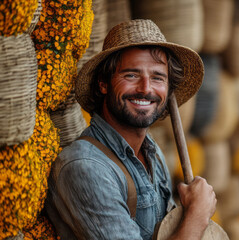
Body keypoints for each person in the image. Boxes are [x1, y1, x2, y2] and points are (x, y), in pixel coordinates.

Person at [45, 19, 217, 240]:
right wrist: (197, 215)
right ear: (103, 83)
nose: (146, 88)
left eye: (157, 77)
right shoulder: (86, 167)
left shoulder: (151, 151)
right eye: (131, 75)